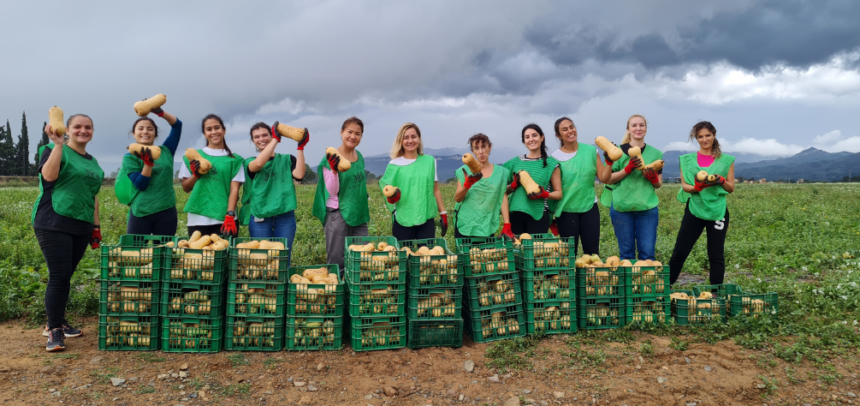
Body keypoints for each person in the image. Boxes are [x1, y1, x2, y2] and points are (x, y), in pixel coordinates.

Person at [32, 114, 104, 352]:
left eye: (88, 127)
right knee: (59, 275)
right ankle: (53, 329)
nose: (83, 130)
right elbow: (49, 176)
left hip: (81, 225)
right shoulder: (52, 148)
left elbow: (92, 196)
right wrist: (59, 144)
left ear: (92, 132)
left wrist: (96, 228)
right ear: (68, 129)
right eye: (78, 127)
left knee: (65, 276)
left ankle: (58, 320)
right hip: (53, 220)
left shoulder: (92, 162)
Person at [669, 121, 735, 285]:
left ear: (714, 135)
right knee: (680, 251)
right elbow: (685, 186)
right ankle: (663, 288)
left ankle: (715, 294)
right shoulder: (687, 160)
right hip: (695, 209)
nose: (705, 139)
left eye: (708, 135)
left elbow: (731, 187)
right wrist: (697, 187)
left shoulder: (726, 160)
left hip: (717, 211)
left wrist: (721, 181)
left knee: (716, 254)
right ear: (696, 138)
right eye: (700, 136)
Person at [239, 122, 306, 268]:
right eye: (256, 137)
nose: (261, 139)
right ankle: (266, 289)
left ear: (270, 135)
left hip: (285, 214)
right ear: (253, 141)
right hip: (260, 214)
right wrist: (276, 139)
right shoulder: (250, 162)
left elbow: (299, 175)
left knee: (283, 258)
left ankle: (282, 289)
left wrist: (300, 147)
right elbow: (258, 165)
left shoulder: (287, 159)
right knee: (262, 259)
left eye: (265, 135)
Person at [312, 117, 370, 272]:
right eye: (349, 132)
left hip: (358, 213)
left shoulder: (360, 157)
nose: (353, 136)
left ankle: (356, 291)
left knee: (363, 255)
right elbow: (332, 190)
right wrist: (334, 170)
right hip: (337, 213)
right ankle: (337, 291)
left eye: (357, 133)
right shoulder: (330, 157)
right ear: (341, 133)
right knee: (338, 259)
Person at [115, 101, 182, 235]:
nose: (145, 131)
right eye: (140, 128)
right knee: (135, 254)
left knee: (163, 253)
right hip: (141, 211)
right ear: (134, 134)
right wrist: (148, 164)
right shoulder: (130, 157)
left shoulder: (166, 151)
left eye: (150, 129)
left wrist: (160, 112)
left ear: (155, 134)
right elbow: (141, 185)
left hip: (166, 209)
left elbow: (177, 125)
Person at [603, 114, 663, 261]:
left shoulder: (656, 153)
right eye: (634, 125)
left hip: (647, 207)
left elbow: (658, 184)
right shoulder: (617, 152)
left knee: (648, 254)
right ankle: (630, 283)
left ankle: (646, 283)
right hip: (621, 208)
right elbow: (608, 179)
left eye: (641, 125)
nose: (638, 128)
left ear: (646, 129)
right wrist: (627, 169)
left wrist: (653, 177)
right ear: (628, 129)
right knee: (626, 256)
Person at [551, 117, 612, 256]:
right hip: (566, 210)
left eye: (572, 127)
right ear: (558, 135)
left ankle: (589, 278)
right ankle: (571, 278)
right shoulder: (554, 158)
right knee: (568, 255)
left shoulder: (591, 151)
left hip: (589, 206)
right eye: (564, 129)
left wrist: (609, 162)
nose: (570, 131)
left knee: (592, 253)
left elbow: (604, 178)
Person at [179, 114, 244, 237]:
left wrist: (230, 214)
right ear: (204, 133)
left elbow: (234, 189)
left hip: (225, 218)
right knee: (198, 256)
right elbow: (186, 188)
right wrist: (195, 175)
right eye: (209, 129)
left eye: (217, 128)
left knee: (226, 255)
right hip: (198, 217)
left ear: (224, 130)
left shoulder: (235, 160)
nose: (213, 132)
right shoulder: (192, 156)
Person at [379, 123, 447, 241]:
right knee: (403, 257)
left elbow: (435, 189)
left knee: (426, 257)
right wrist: (391, 199)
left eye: (413, 137)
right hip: (403, 218)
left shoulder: (429, 161)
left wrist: (443, 213)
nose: (410, 141)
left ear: (419, 139)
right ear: (400, 140)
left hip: (426, 217)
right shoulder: (394, 164)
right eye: (406, 137)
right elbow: (386, 188)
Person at [502, 124, 562, 235]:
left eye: (534, 135)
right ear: (524, 141)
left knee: (536, 252)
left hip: (539, 215)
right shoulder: (514, 162)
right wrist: (513, 186)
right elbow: (500, 189)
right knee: (516, 250)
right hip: (516, 214)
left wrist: (545, 194)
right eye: (527, 137)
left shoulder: (551, 164)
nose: (531, 139)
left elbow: (559, 193)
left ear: (542, 137)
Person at [453, 133, 514, 239]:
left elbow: (502, 197)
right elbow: (458, 198)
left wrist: (507, 224)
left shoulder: (501, 173)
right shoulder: (465, 171)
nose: (481, 151)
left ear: (490, 147)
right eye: (476, 148)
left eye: (484, 147)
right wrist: (467, 185)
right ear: (472, 152)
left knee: (487, 255)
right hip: (466, 225)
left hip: (487, 225)